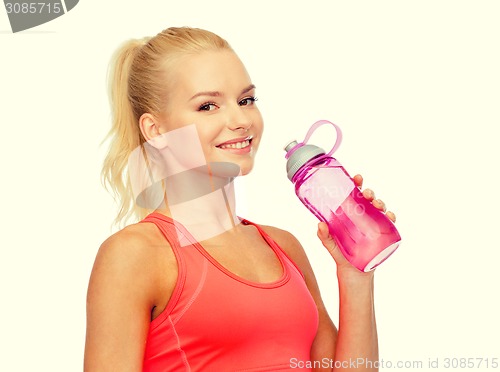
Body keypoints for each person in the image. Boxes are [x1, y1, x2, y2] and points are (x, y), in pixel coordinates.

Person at [84, 26, 396, 371]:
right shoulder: (134, 255)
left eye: (246, 100)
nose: (240, 120)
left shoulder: (283, 247)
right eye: (207, 106)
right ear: (156, 131)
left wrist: (356, 276)